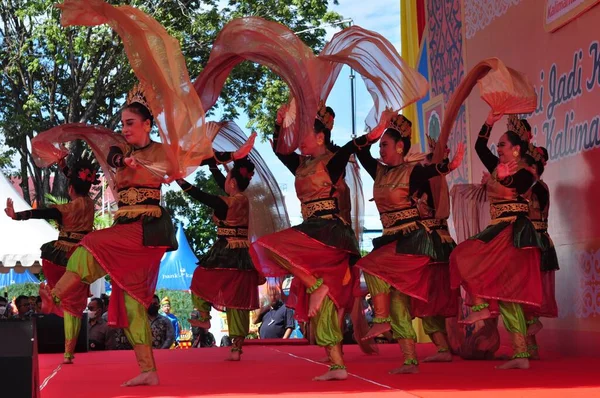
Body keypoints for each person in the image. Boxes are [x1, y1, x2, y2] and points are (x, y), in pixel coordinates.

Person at [39, 83, 183, 386]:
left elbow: (177, 164)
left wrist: (228, 156)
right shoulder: (122, 150)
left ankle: (54, 297)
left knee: (90, 242)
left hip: (147, 230)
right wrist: (124, 161)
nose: (125, 129)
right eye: (122, 124)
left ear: (147, 124)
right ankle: (149, 370)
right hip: (126, 229)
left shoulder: (160, 151)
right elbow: (116, 157)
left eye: (130, 123)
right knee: (130, 302)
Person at [251, 102, 390, 381]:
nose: (299, 139)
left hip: (328, 231)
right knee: (326, 304)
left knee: (268, 244)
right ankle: (337, 366)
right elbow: (280, 150)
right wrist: (280, 124)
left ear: (320, 137)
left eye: (305, 134)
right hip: (311, 230)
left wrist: (372, 135)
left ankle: (316, 285)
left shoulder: (331, 162)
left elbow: (351, 147)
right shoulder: (302, 166)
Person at [354, 113, 463, 374]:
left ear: (400, 147)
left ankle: (381, 320)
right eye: (379, 145)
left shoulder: (411, 171)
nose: (380, 149)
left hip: (412, 240)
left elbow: (432, 169)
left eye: (384, 144)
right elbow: (359, 151)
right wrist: (373, 133)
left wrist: (448, 164)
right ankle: (410, 359)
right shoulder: (379, 171)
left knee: (370, 265)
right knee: (398, 300)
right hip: (390, 239)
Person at [449, 111, 542, 370]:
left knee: (501, 286)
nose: (497, 148)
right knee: (499, 289)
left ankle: (521, 351)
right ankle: (520, 353)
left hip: (513, 232)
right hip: (498, 229)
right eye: (498, 144)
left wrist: (500, 177)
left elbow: (516, 185)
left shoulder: (527, 170)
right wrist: (489, 120)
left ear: (516, 150)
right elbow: (480, 146)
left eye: (502, 144)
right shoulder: (497, 166)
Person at [5, 153, 98, 363]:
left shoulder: (66, 208)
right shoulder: (90, 204)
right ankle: (68, 353)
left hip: (61, 254)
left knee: (64, 297)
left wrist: (17, 215)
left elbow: (42, 213)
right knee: (75, 306)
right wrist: (64, 166)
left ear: (70, 188)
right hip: (82, 256)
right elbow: (77, 182)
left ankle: (53, 299)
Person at [177, 141, 264, 361]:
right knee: (237, 300)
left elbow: (202, 196)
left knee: (200, 278)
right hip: (242, 255)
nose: (224, 182)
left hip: (226, 252)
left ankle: (204, 314)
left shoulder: (226, 202)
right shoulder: (241, 199)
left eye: (227, 179)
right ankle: (236, 347)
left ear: (232, 182)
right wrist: (215, 166)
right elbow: (223, 188)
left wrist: (179, 180)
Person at [411, 135, 460, 362]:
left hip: (429, 244)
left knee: (427, 299)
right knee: (436, 298)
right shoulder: (436, 182)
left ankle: (442, 347)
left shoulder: (427, 181)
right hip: (441, 242)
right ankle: (445, 345)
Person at [521, 144, 558, 359]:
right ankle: (530, 347)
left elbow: (532, 213)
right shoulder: (535, 187)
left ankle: (529, 345)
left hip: (535, 243)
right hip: (531, 241)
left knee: (528, 294)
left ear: (532, 168)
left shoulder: (537, 189)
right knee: (525, 294)